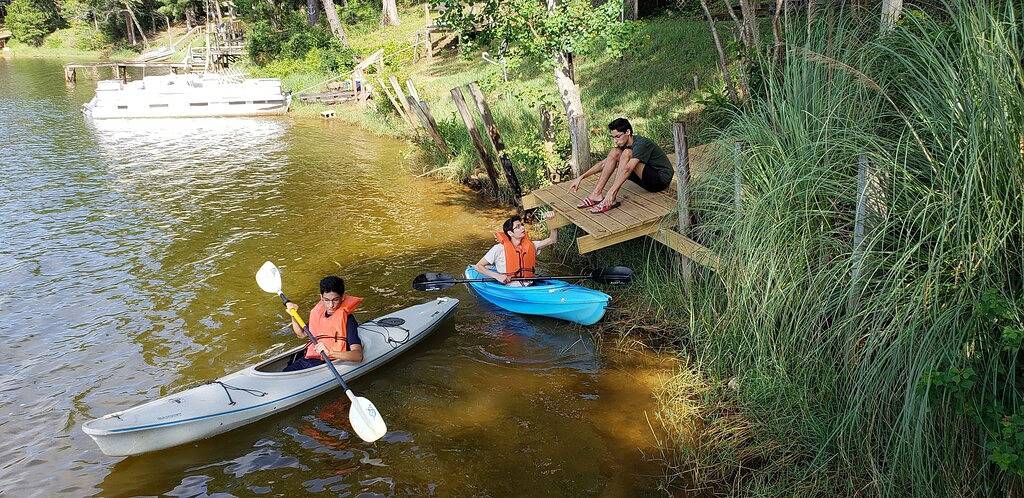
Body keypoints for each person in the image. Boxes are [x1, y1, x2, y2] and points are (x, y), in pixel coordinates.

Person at [570, 117, 674, 214]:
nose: (615, 140)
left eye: (618, 136)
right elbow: (603, 164)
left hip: (660, 181)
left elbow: (628, 169)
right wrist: (581, 177)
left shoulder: (641, 144)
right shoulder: (625, 144)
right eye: (613, 137)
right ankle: (596, 194)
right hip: (645, 179)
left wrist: (611, 192)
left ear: (628, 132)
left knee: (627, 153)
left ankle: (612, 199)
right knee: (615, 152)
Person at [281, 276, 363, 372]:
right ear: (321, 297)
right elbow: (301, 334)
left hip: (328, 364)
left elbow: (358, 356)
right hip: (308, 360)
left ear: (342, 297)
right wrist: (293, 315)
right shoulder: (319, 314)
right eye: (326, 300)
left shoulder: (348, 320)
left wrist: (330, 353)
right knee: (284, 373)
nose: (331, 305)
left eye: (335, 300)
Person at [474, 214, 558, 286]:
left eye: (522, 225)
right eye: (518, 227)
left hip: (529, 284)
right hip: (509, 287)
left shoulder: (532, 245)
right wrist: (497, 276)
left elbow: (552, 239)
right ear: (510, 233)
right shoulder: (498, 249)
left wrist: (552, 221)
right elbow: (478, 266)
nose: (522, 228)